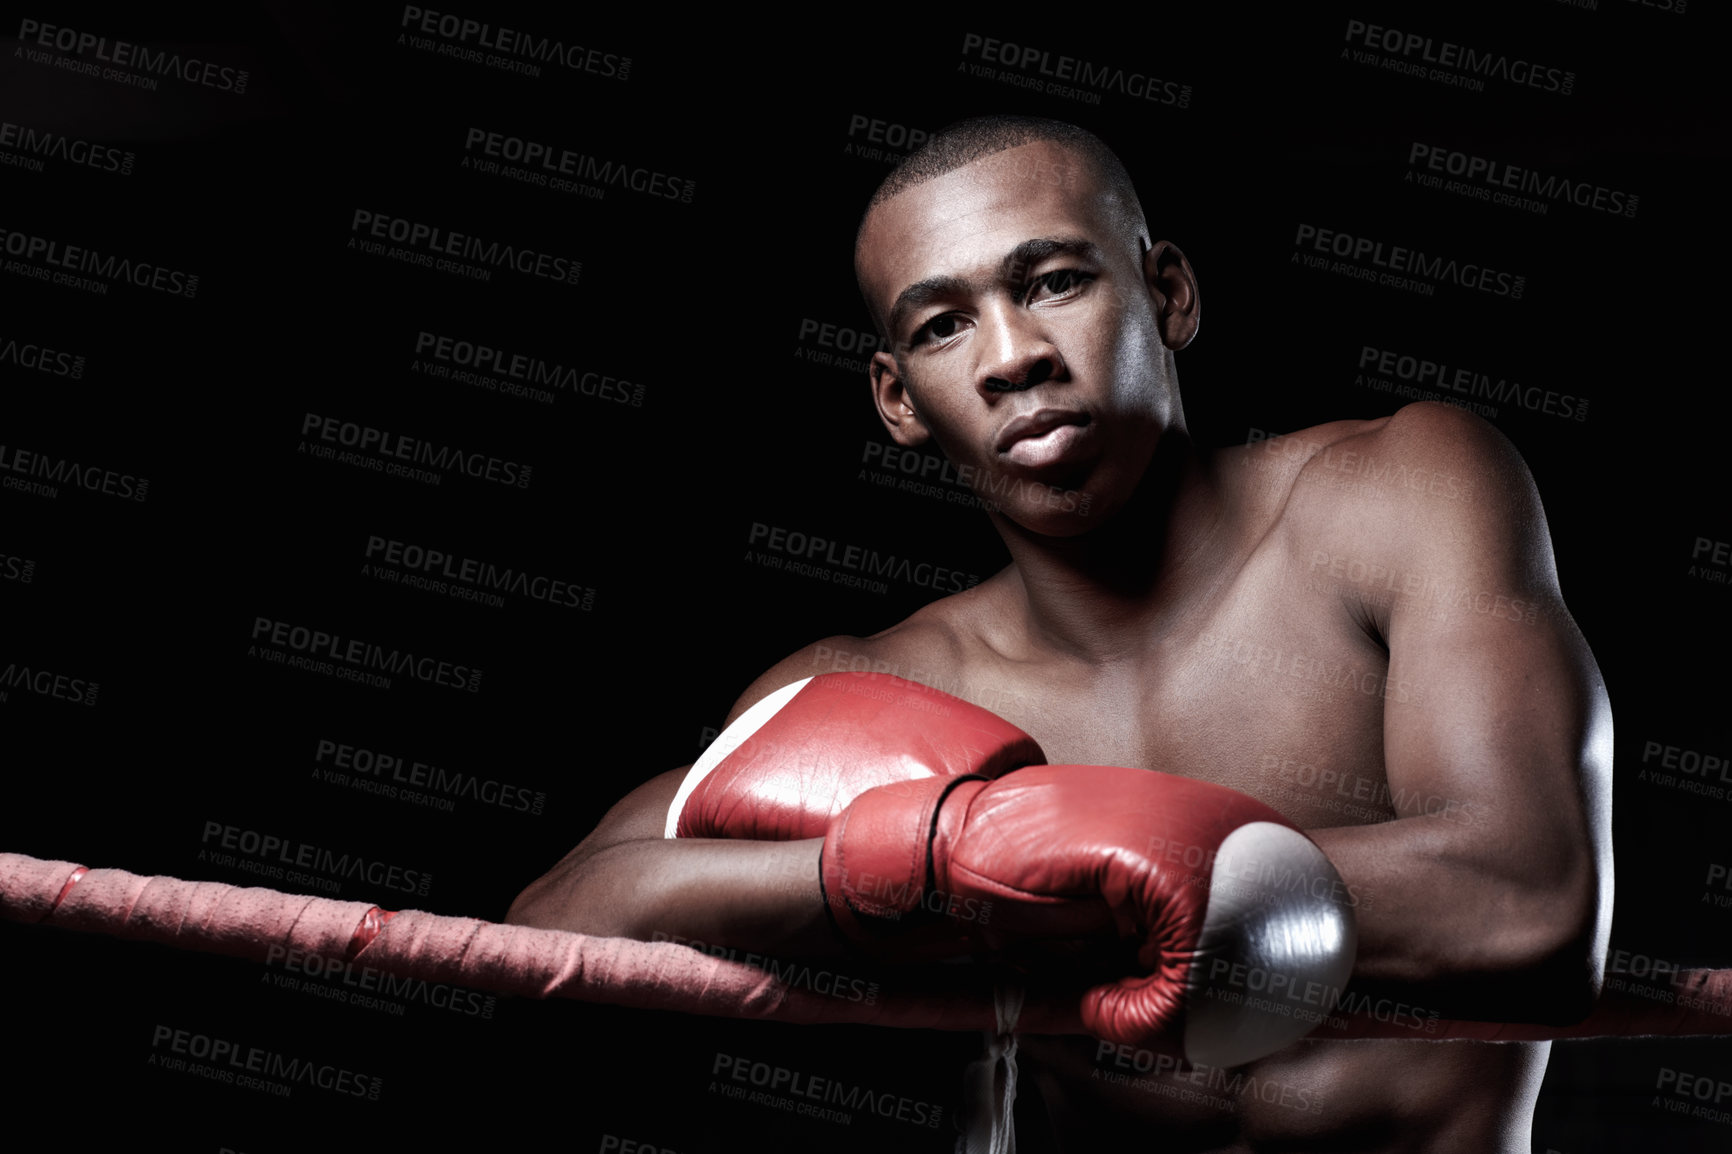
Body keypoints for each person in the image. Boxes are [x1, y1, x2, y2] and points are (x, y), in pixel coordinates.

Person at [507, 116, 1613, 1152]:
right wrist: (943, 860)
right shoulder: (884, 680)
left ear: (1168, 291)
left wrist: (1098, 871)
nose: (1009, 356)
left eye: (1053, 281)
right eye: (943, 324)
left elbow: (1532, 898)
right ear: (897, 399)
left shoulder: (1395, 494)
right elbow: (557, 927)